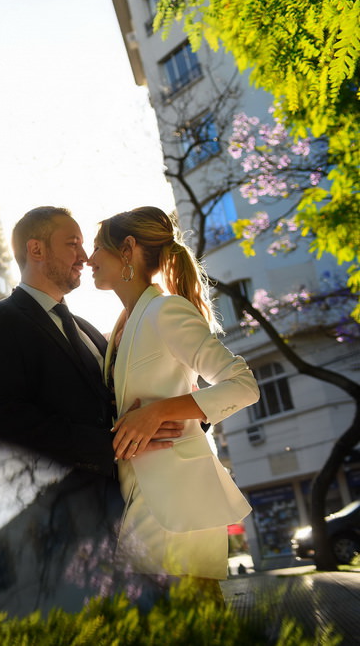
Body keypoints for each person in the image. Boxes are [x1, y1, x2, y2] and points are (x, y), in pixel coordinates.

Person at [0, 206, 180, 611]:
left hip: (129, 518)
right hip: (57, 528)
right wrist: (111, 445)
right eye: (73, 243)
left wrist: (172, 418)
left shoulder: (87, 328)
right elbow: (3, 419)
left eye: (84, 245)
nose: (84, 255)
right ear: (36, 249)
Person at [88, 206, 259, 600]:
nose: (89, 259)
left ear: (127, 249)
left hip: (180, 501)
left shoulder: (166, 311)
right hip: (135, 499)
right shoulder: (119, 327)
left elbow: (243, 385)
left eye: (99, 248)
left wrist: (160, 412)